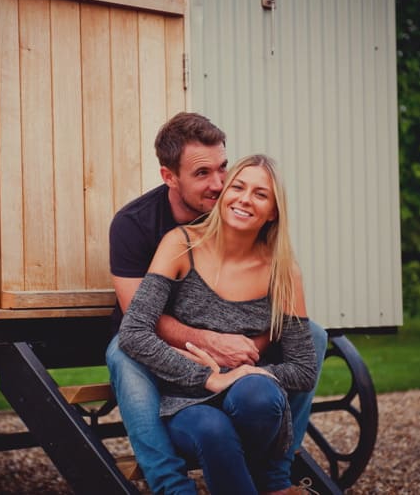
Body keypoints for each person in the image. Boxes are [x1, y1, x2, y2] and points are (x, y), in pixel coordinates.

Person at [106, 112, 327, 494]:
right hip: (169, 352)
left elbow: (299, 361)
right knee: (123, 351)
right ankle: (171, 485)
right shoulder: (147, 229)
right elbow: (140, 325)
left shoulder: (272, 257)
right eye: (203, 173)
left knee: (313, 337)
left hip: (239, 365)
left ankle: (276, 475)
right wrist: (213, 358)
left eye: (224, 169)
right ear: (169, 177)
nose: (221, 185)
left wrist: (247, 360)